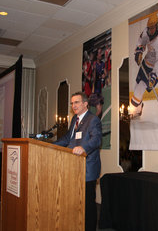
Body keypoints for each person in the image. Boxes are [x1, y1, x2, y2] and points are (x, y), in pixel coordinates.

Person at [54, 91, 102, 231]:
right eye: (72, 103)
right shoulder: (74, 120)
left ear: (85, 103)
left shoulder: (93, 119)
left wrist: (84, 148)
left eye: (76, 102)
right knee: (76, 203)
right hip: (72, 167)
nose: (73, 105)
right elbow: (67, 139)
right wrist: (51, 146)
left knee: (88, 205)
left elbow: (96, 139)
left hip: (87, 169)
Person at [129, 13, 158, 118]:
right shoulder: (146, 32)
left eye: (153, 28)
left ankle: (134, 109)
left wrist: (154, 76)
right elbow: (141, 42)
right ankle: (138, 109)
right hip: (146, 63)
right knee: (137, 84)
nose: (151, 30)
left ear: (156, 26)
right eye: (149, 28)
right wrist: (139, 51)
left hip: (157, 69)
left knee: (141, 87)